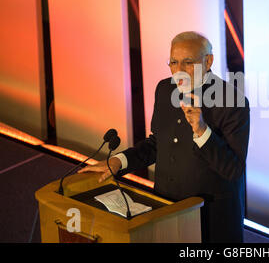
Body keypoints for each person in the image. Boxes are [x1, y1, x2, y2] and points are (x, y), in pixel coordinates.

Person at [79, 31, 250, 243]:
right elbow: (156, 145)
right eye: (173, 62)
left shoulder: (233, 101)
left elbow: (233, 170)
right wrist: (119, 161)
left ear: (208, 61)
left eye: (188, 62)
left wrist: (202, 131)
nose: (179, 71)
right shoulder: (164, 89)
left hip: (210, 219)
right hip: (165, 209)